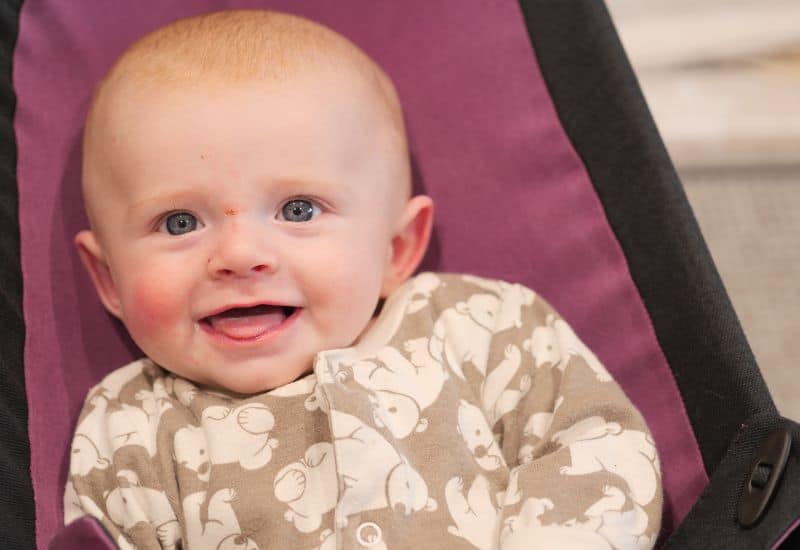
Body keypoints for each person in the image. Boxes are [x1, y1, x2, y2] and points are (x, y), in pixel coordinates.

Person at [64, 9, 662, 549]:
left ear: (395, 249)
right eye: (179, 222)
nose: (240, 255)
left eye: (299, 209)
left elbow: (598, 450)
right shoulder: (131, 428)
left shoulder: (484, 328)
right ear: (109, 277)